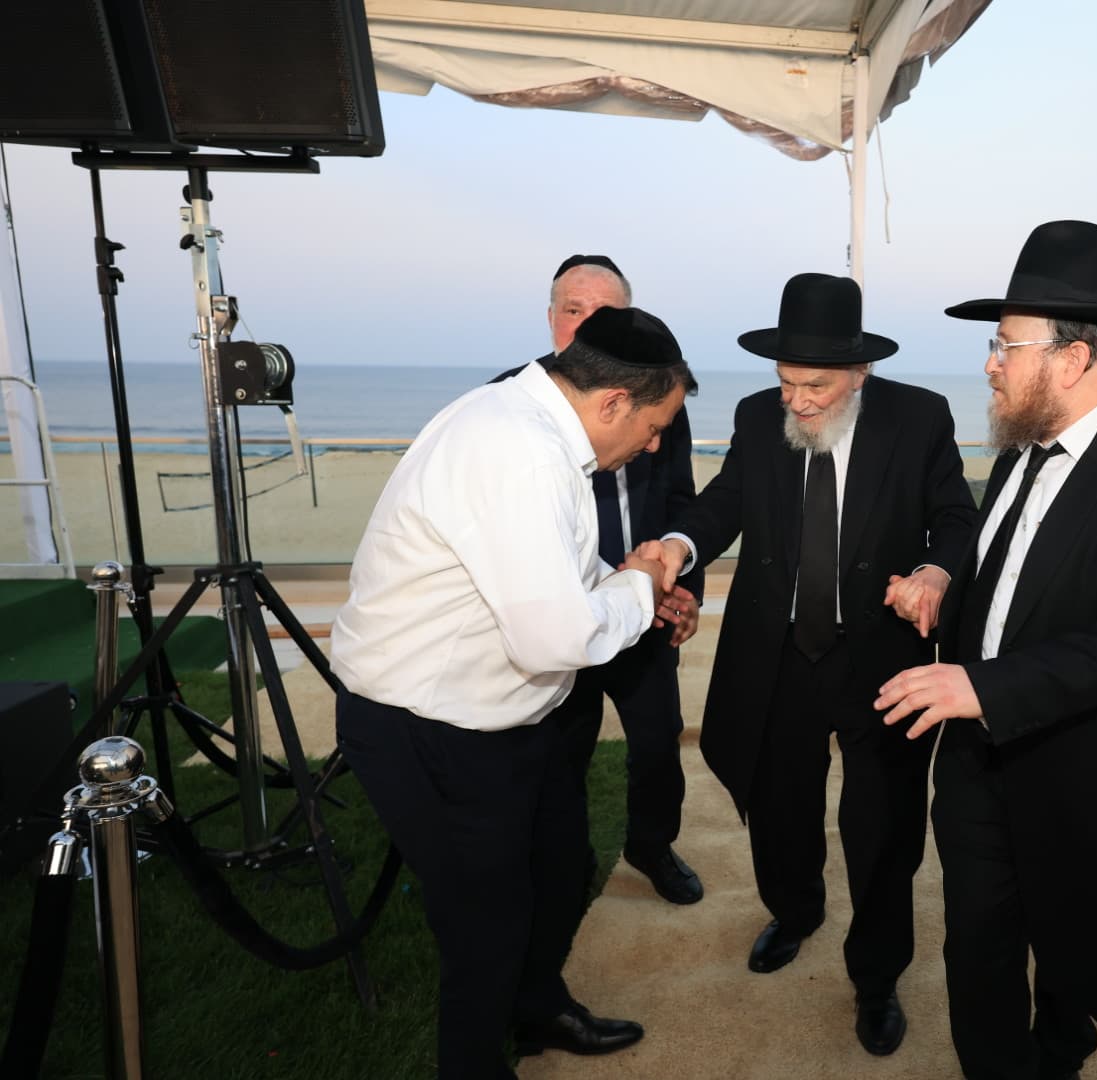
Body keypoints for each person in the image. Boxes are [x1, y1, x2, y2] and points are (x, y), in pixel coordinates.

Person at [874, 220, 1097, 1080]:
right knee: (977, 954)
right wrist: (944, 588)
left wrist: (984, 687)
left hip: (1083, 772)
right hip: (976, 767)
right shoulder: (1018, 450)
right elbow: (1011, 574)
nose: (991, 363)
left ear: (1071, 359)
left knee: (1071, 960)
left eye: (1006, 345)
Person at [330, 305, 696, 1079]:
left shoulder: (539, 431)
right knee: (484, 928)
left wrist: (634, 588)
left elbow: (564, 571)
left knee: (560, 869)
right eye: (655, 426)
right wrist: (639, 587)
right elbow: (555, 638)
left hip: (510, 720)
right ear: (614, 402)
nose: (655, 445)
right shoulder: (515, 450)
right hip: (428, 727)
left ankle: (538, 1008)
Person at [653, 272, 976, 1056]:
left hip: (881, 659)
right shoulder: (756, 416)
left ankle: (877, 976)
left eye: (816, 386)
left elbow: (956, 517)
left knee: (882, 828)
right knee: (780, 807)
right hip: (778, 654)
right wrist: (679, 545)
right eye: (786, 382)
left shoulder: (920, 417)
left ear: (860, 372)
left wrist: (936, 573)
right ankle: (795, 912)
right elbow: (725, 501)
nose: (796, 401)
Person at [493, 254, 705, 908]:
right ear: (550, 318)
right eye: (573, 310)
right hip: (559, 615)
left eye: (604, 313)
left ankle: (651, 845)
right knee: (560, 750)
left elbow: (681, 501)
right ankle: (568, 857)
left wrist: (681, 584)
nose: (586, 324)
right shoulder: (512, 405)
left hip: (647, 608)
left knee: (658, 742)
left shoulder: (659, 398)